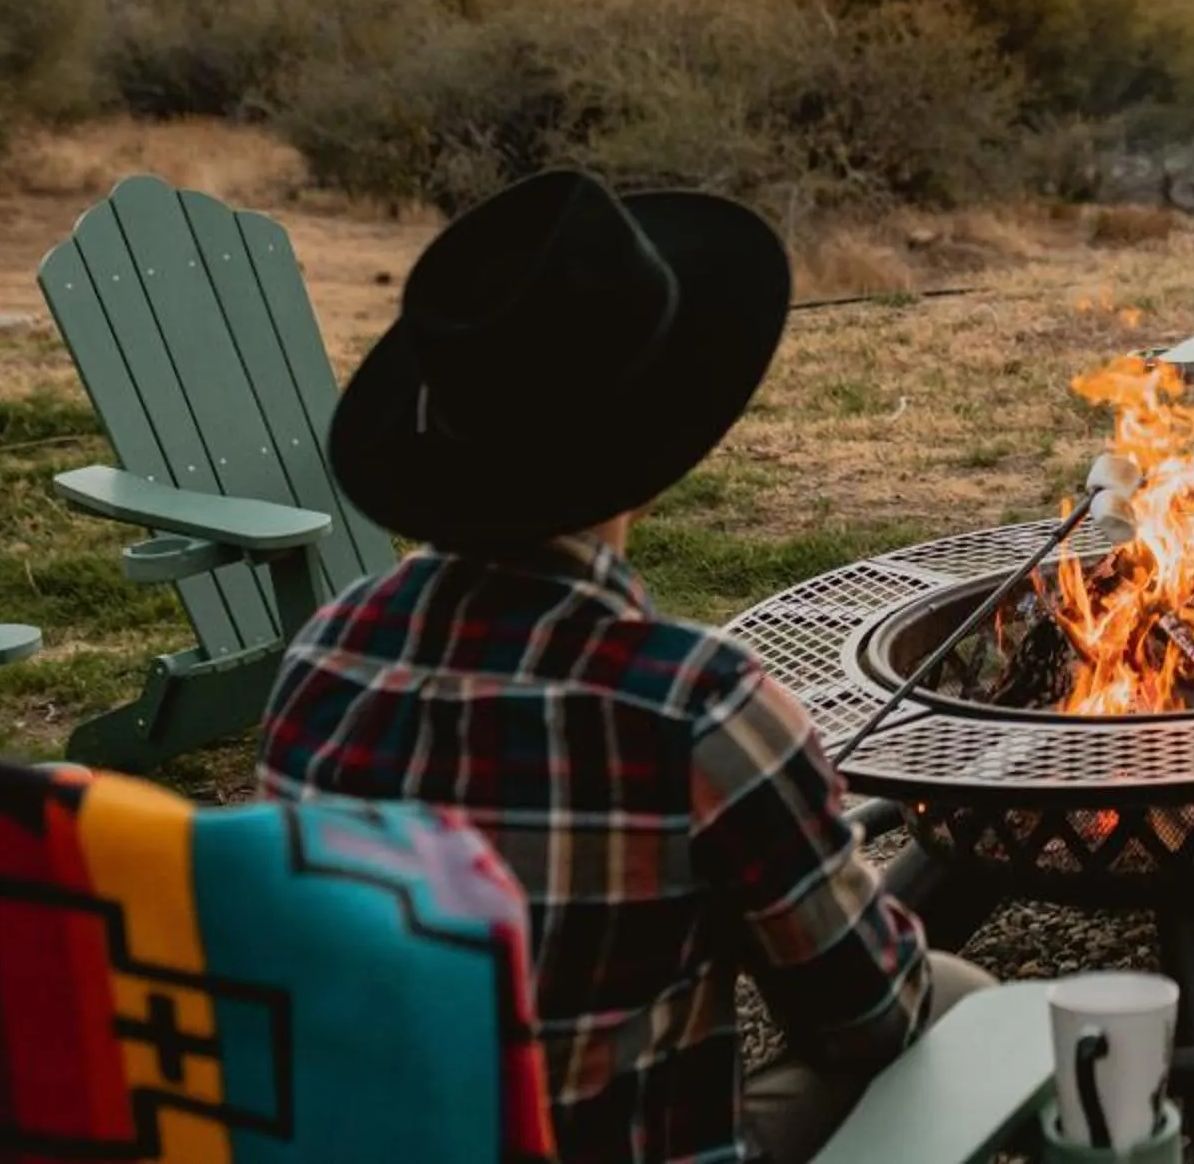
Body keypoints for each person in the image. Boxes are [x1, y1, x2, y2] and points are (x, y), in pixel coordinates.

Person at [259, 168, 987, 1164]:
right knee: (963, 1001)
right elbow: (865, 1014)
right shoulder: (698, 709)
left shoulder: (323, 657)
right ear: (661, 426)